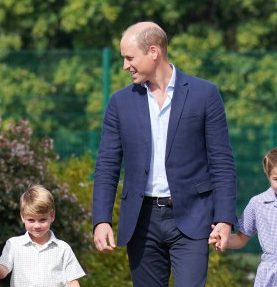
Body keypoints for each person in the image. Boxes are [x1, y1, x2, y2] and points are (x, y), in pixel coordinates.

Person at [92, 21, 238, 287]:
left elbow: (222, 162)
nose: (125, 65)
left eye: (129, 57)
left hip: (193, 218)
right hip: (141, 222)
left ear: (153, 51)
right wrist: (101, 220)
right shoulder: (119, 103)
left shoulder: (205, 94)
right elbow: (107, 165)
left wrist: (225, 219)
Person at [209, 146, 277, 286]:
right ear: (269, 176)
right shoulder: (257, 204)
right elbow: (240, 239)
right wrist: (223, 239)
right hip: (269, 277)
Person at [0, 184, 85, 287]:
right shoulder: (14, 244)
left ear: (52, 216)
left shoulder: (63, 248)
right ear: (23, 217)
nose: (37, 225)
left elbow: (72, 282)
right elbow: (2, 272)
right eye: (31, 220)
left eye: (42, 220)